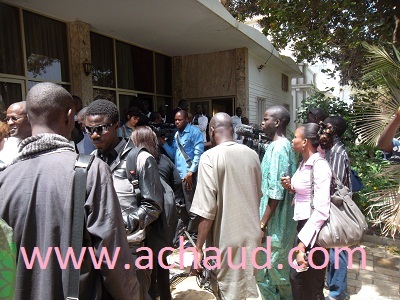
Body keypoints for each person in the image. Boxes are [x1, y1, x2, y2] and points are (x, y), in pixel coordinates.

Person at [0, 82, 142, 299]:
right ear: (69, 116)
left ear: (29, 118)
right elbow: (111, 256)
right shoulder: (89, 170)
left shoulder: (4, 179)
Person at [85, 99, 163, 300]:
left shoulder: (140, 159)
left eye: (101, 128)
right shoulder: (90, 161)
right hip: (99, 251)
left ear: (116, 125)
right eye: (89, 129)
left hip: (132, 250)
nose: (94, 135)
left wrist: (121, 226)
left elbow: (152, 206)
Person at [190, 112, 262, 299]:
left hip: (226, 241)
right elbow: (258, 195)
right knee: (247, 290)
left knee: (228, 292)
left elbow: (207, 211)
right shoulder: (252, 154)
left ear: (212, 130)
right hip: (253, 237)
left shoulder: (209, 158)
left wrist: (198, 249)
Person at [132, 126, 184, 300]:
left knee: (148, 267)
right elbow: (177, 184)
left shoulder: (136, 162)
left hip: (145, 220)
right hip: (163, 221)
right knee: (161, 263)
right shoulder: (165, 160)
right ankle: (166, 296)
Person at [281, 123, 333, 300]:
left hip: (314, 232)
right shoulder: (304, 163)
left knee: (309, 285)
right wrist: (291, 187)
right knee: (298, 279)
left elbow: (321, 210)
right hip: (303, 227)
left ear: (304, 142)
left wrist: (302, 244)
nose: (292, 140)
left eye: (295, 137)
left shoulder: (320, 166)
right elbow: (306, 192)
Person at [257, 106, 297, 300]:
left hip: (276, 225)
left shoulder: (280, 148)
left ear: (278, 122)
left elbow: (276, 193)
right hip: (277, 224)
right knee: (274, 274)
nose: (262, 123)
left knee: (271, 275)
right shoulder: (277, 146)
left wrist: (262, 224)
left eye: (266, 119)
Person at [161, 110, 204, 244]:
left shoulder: (195, 133)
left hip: (189, 175)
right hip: (178, 176)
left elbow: (198, 154)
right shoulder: (176, 135)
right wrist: (163, 144)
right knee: (181, 206)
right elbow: (174, 154)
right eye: (175, 120)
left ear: (187, 120)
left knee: (191, 206)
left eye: (179, 120)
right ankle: (188, 231)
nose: (177, 122)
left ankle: (195, 235)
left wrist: (191, 172)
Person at [323, 116, 351, 300]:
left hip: (337, 209)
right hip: (330, 207)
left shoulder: (338, 153)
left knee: (338, 251)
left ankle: (337, 292)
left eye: (324, 126)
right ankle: (332, 283)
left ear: (332, 129)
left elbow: (338, 187)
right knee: (332, 249)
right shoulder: (330, 149)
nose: (321, 129)